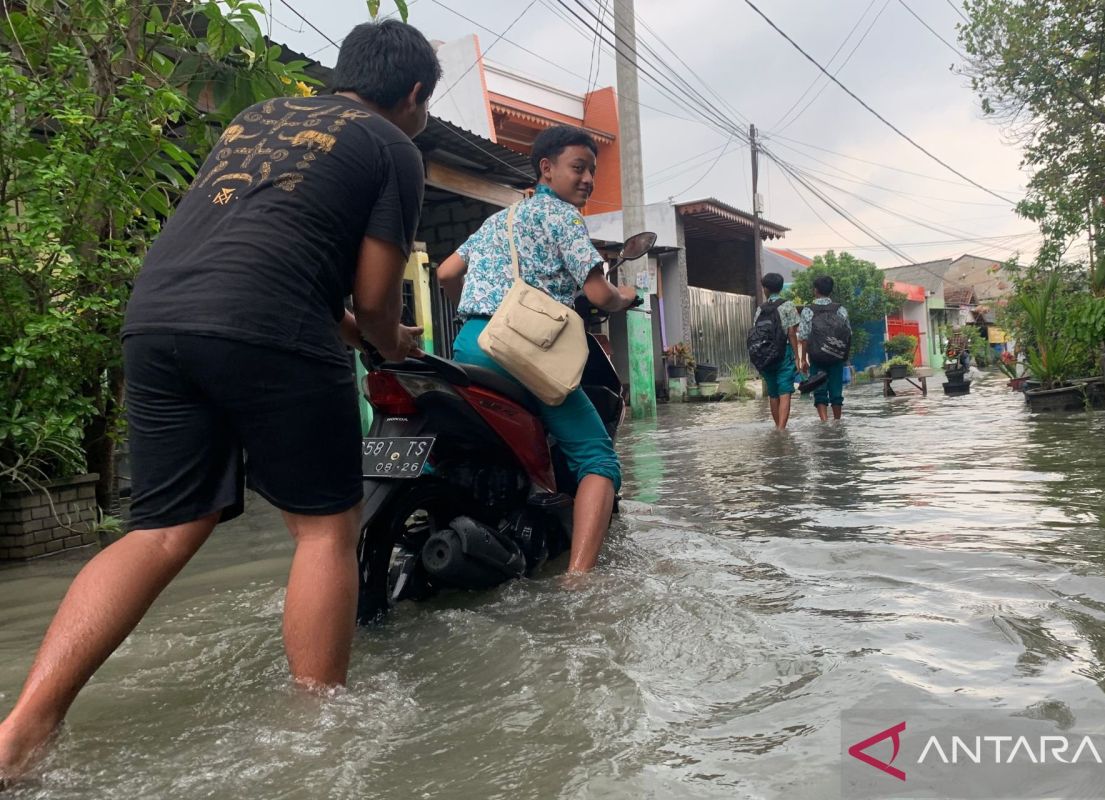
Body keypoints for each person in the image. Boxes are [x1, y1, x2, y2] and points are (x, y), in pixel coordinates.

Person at [0, 19, 440, 781]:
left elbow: (263, 254)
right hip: (269, 327)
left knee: (161, 532)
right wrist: (390, 342)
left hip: (157, 318)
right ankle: (316, 743)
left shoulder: (255, 117)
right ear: (413, 95)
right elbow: (372, 305)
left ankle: (21, 732)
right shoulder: (392, 146)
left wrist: (343, 325)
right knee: (323, 532)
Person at [436, 126, 637, 574]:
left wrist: (478, 312)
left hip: (471, 345)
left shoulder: (500, 219)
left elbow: (447, 273)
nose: (587, 179)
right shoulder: (563, 217)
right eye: (578, 167)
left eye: (592, 171)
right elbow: (599, 295)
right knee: (596, 457)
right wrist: (625, 295)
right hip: (526, 354)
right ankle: (580, 580)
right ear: (546, 169)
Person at [798, 275, 853, 422]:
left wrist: (803, 359)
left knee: (819, 390)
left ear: (815, 290)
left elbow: (803, 337)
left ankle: (824, 422)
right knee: (836, 390)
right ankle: (837, 422)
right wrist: (844, 355)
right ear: (831, 291)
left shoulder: (808, 310)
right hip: (836, 356)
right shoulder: (840, 309)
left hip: (816, 356)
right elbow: (848, 333)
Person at [752, 273, 802, 430]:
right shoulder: (788, 306)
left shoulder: (760, 310)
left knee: (773, 393)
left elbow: (756, 333)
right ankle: (781, 431)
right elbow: (792, 333)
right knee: (785, 390)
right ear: (780, 288)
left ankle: (778, 428)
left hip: (765, 354)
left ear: (765, 289)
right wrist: (796, 356)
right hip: (784, 352)